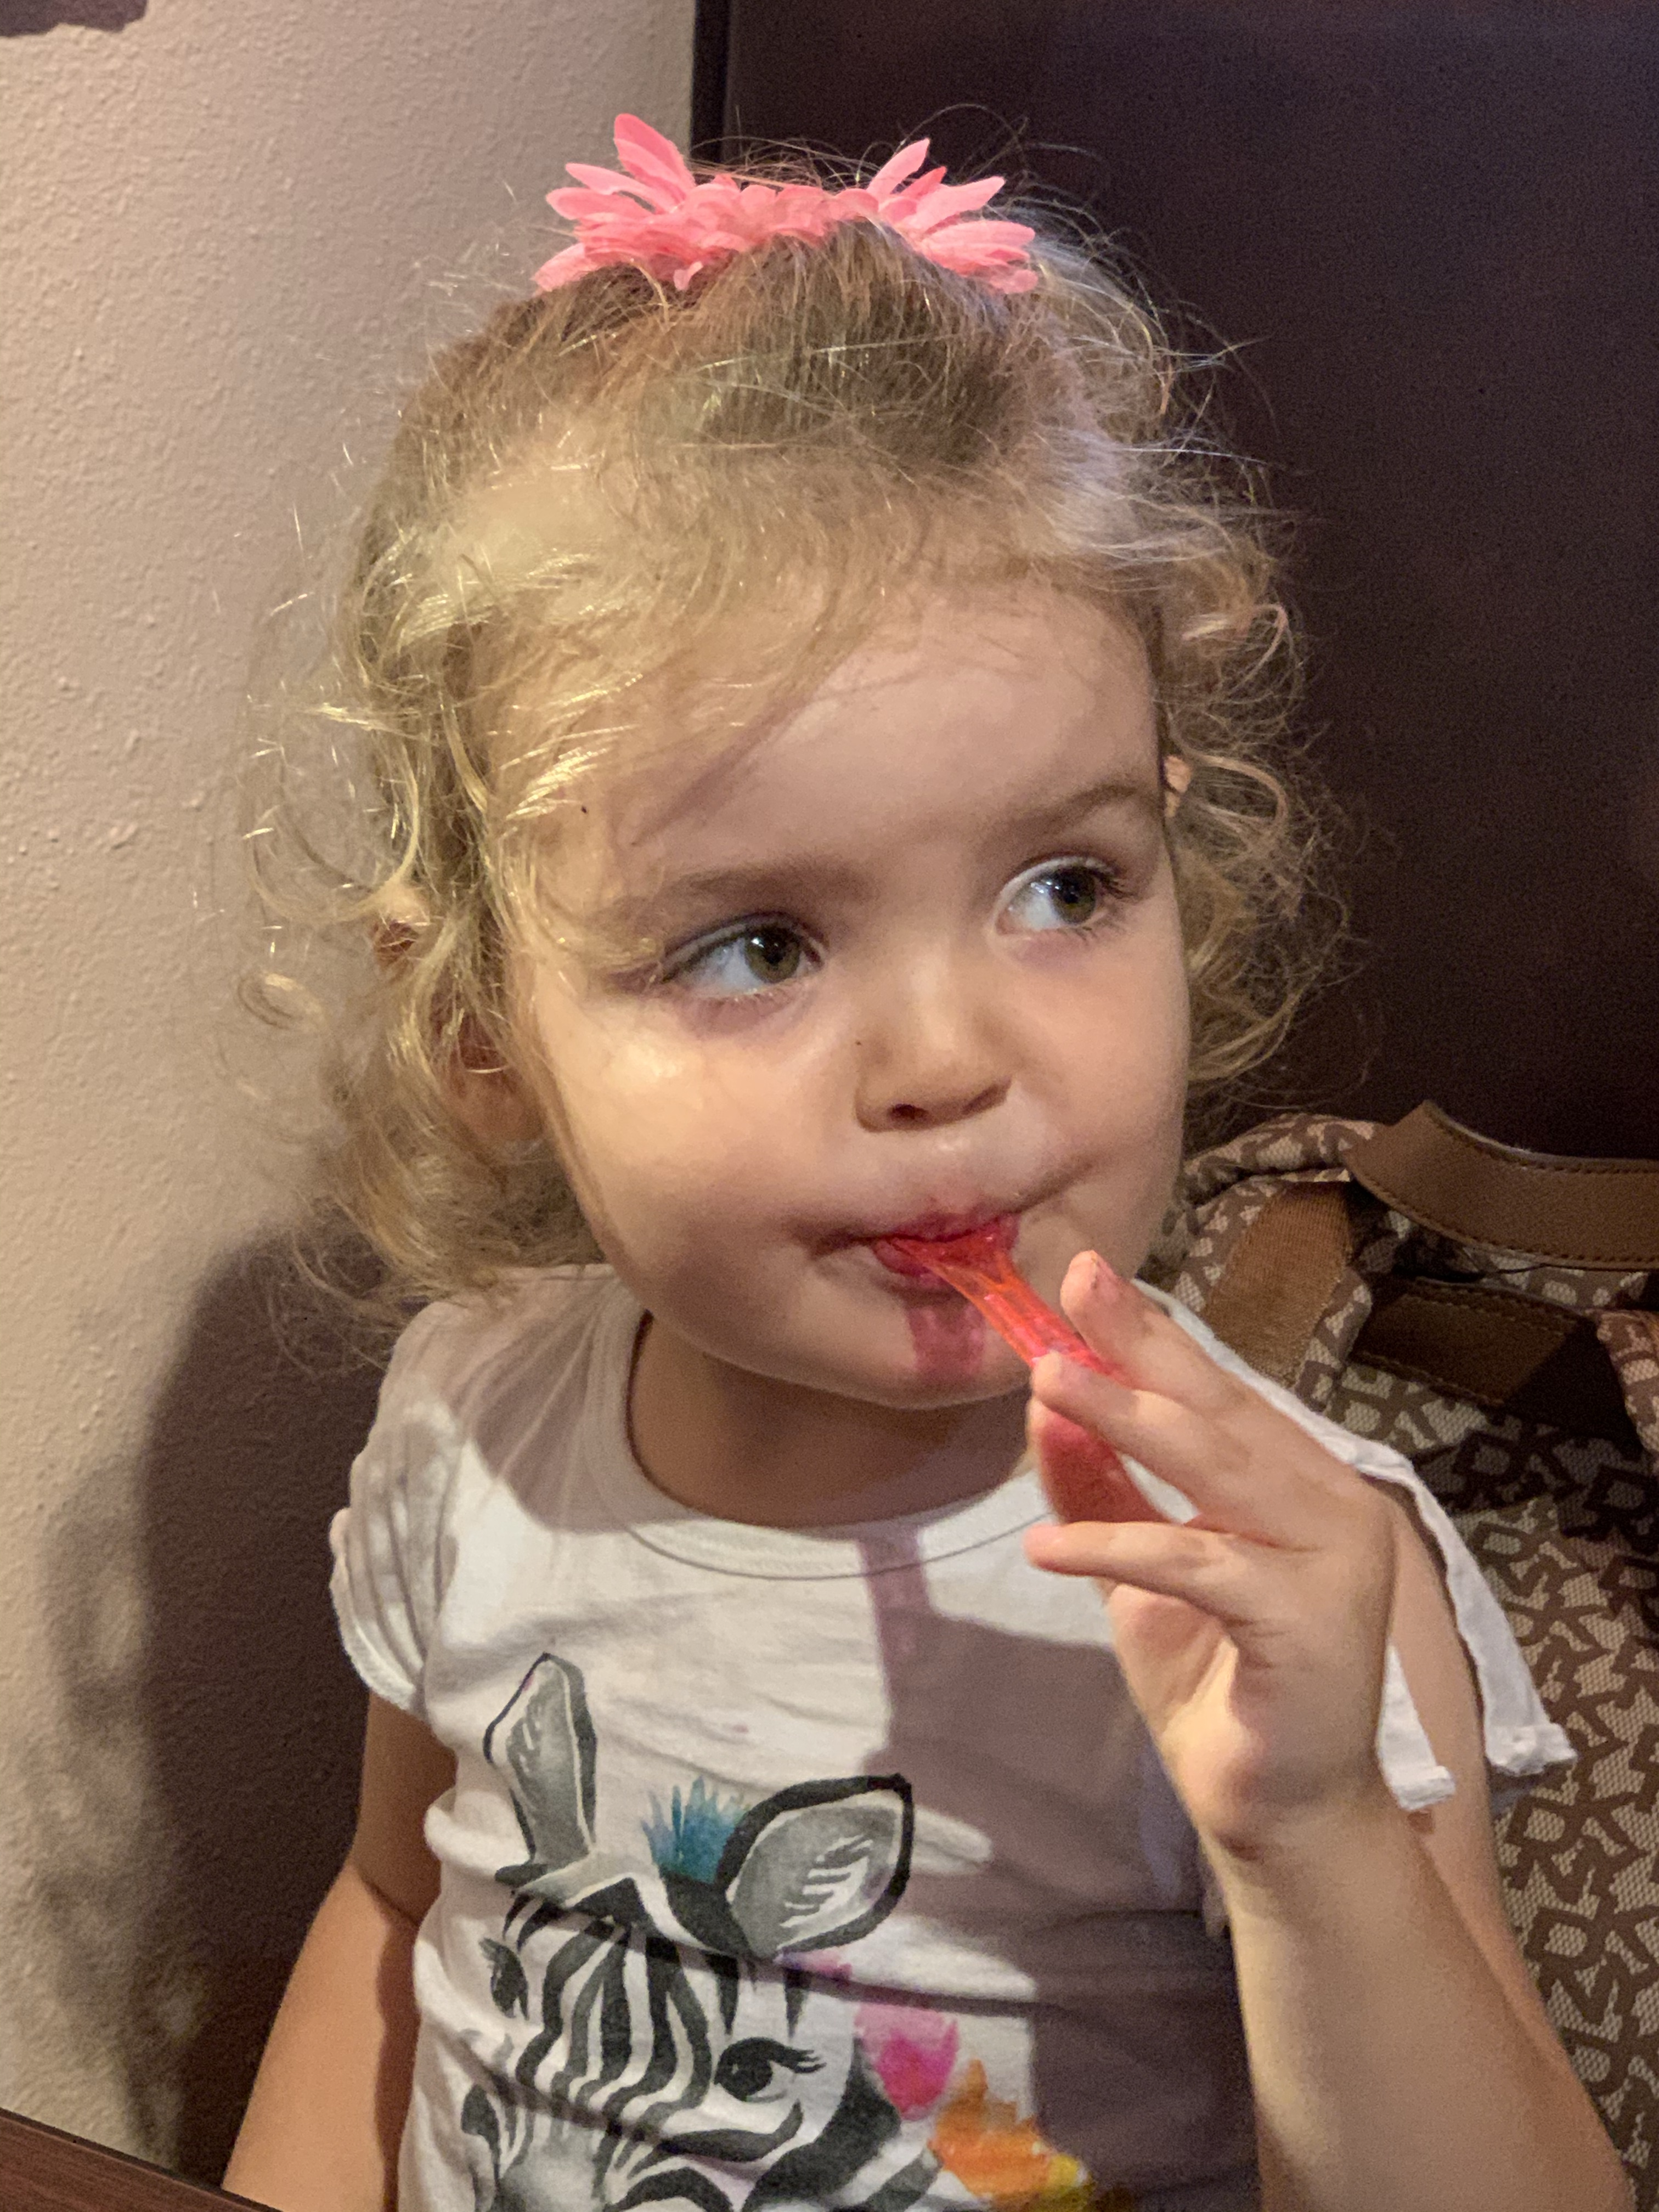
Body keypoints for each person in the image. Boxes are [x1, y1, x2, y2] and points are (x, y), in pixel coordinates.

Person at [222, 118, 1630, 2212]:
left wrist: (1318, 1836)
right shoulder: (470, 1434)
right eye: (758, 945)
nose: (952, 1062)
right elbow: (391, 1912)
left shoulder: (1275, 1584)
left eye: (1066, 886)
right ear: (484, 1036)